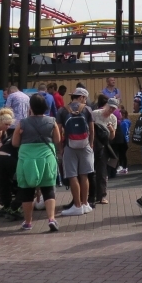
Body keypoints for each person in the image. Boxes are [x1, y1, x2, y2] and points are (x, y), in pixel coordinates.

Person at [12, 93, 61, 232]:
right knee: (48, 189)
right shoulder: (52, 121)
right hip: (46, 157)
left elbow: (15, 143)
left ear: (31, 107)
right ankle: (51, 219)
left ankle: (28, 222)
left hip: (27, 159)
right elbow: (57, 140)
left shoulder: (22, 122)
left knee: (26, 191)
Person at [57, 87, 95, 216]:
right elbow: (92, 129)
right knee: (84, 175)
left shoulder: (62, 110)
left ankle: (77, 206)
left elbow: (58, 131)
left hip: (70, 145)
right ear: (81, 97)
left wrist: (60, 148)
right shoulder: (87, 109)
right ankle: (85, 204)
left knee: (72, 175)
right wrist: (90, 144)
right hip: (85, 145)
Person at [0, 108, 20, 219]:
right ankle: (15, 206)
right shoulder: (16, 135)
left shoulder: (7, 136)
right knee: (18, 183)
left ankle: (6, 206)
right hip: (10, 159)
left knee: (3, 184)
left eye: (9, 125)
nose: (8, 127)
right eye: (6, 124)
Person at [91, 95, 117, 204]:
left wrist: (111, 130)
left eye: (114, 109)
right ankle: (90, 195)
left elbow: (112, 137)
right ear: (106, 105)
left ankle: (101, 196)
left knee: (102, 172)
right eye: (110, 107)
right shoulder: (95, 113)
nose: (111, 110)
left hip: (103, 146)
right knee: (90, 171)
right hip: (92, 145)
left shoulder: (113, 118)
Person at [112, 108, 131, 176]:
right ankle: (123, 167)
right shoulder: (126, 121)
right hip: (124, 140)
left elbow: (124, 132)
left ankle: (123, 167)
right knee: (122, 154)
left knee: (121, 154)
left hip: (123, 140)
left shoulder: (124, 123)